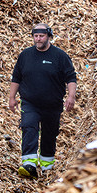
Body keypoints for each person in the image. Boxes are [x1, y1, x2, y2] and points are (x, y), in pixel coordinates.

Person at [8, 23, 77, 179]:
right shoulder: (25, 55)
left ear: (49, 36)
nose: (38, 39)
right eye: (35, 36)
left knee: (49, 134)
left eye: (41, 36)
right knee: (28, 126)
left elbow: (71, 78)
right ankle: (29, 164)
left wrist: (71, 96)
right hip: (30, 102)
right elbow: (16, 77)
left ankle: (47, 167)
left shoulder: (60, 56)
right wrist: (12, 98)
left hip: (52, 105)